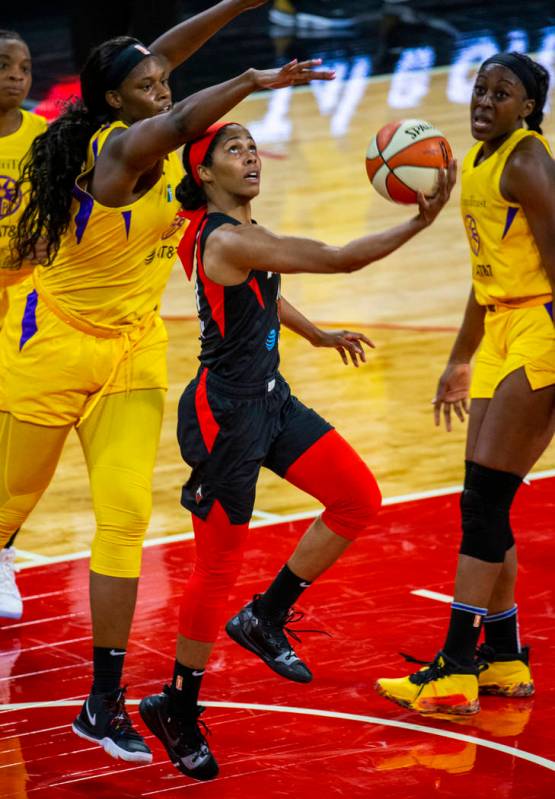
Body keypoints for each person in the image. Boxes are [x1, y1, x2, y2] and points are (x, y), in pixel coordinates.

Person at [0, 0, 334, 763]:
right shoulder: (115, 154)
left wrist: (238, 5)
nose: (161, 86)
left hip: (133, 355)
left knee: (123, 524)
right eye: (145, 84)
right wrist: (251, 76)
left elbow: (162, 62)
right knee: (6, 509)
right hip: (50, 352)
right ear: (115, 102)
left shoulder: (145, 132)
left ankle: (102, 701)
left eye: (164, 80)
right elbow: (179, 117)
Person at [138, 120, 455, 780]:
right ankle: (177, 702)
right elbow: (342, 258)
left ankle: (266, 615)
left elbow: (263, 290)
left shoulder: (225, 236)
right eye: (233, 148)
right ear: (204, 174)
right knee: (215, 568)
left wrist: (311, 334)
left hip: (268, 397)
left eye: (253, 144)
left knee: (355, 497)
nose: (250, 154)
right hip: (224, 415)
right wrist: (420, 223)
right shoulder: (228, 238)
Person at [375, 51, 554, 716]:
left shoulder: (528, 161)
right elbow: (485, 274)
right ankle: (502, 657)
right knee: (484, 503)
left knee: (482, 502)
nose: (483, 100)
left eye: (501, 92)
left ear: (527, 107)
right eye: (479, 88)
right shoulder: (476, 160)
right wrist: (459, 358)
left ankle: (454, 664)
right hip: (504, 327)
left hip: (542, 330)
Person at [0, 29, 47, 620]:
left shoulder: (44, 138)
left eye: (25, 66)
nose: (16, 75)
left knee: (16, 441)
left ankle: (2, 554)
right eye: (3, 64)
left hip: (29, 308)